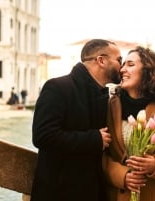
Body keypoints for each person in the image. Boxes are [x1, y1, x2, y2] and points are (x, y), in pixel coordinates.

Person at [30, 39, 123, 201]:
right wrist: (93, 139)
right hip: (59, 194)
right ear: (101, 60)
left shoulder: (105, 97)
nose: (121, 67)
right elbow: (42, 136)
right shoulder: (57, 87)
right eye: (119, 60)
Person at [103, 46, 155, 201]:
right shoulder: (107, 107)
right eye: (123, 64)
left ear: (148, 72)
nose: (122, 69)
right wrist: (123, 176)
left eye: (130, 64)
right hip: (113, 195)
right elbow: (100, 155)